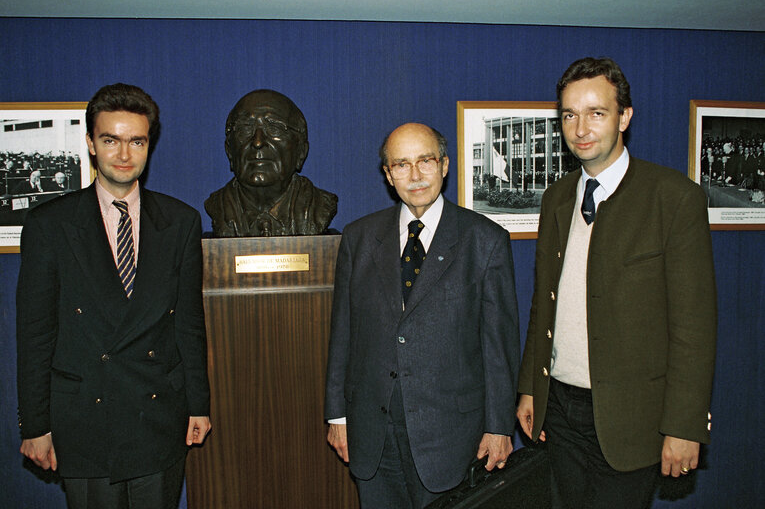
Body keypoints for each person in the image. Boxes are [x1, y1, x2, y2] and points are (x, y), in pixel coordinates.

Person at [516, 57, 717, 509]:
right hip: (561, 410)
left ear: (624, 116)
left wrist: (684, 426)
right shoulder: (557, 198)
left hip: (632, 418)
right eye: (569, 114)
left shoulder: (673, 198)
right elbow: (542, 305)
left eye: (596, 112)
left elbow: (694, 328)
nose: (580, 127)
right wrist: (531, 385)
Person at [16, 83, 212, 509]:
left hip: (158, 411)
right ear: (90, 143)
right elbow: (34, 333)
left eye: (136, 141)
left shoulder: (180, 221)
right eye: (111, 140)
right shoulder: (50, 225)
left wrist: (199, 404)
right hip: (84, 414)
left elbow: (189, 322)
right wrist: (34, 424)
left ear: (149, 145)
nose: (124, 155)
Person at [324, 122, 520, 508]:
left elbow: (499, 346)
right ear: (387, 174)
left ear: (445, 165)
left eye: (425, 161)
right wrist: (337, 416)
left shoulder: (485, 241)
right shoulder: (359, 238)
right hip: (373, 433)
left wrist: (499, 427)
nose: (414, 175)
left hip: (451, 437)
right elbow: (343, 332)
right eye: (401, 164)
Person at [204, 89, 337, 236]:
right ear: (229, 151)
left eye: (275, 128)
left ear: (301, 151)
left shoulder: (318, 208)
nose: (258, 142)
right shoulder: (219, 208)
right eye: (245, 128)